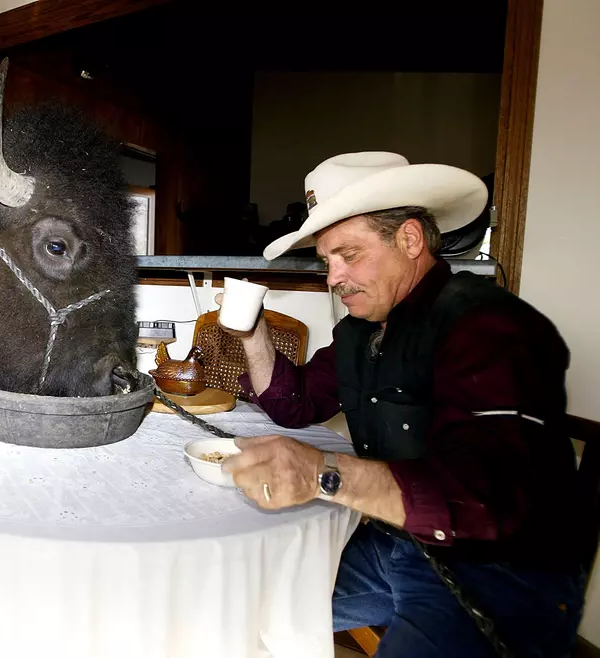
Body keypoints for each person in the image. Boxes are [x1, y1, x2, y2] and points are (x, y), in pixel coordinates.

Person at [217, 152, 587, 657]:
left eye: (348, 254)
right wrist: (252, 330)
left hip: (499, 570)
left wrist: (326, 473)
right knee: (240, 608)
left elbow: (490, 495)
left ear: (410, 239)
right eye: (328, 261)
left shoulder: (488, 325)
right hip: (397, 545)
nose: (333, 278)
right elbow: (296, 405)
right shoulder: (359, 332)